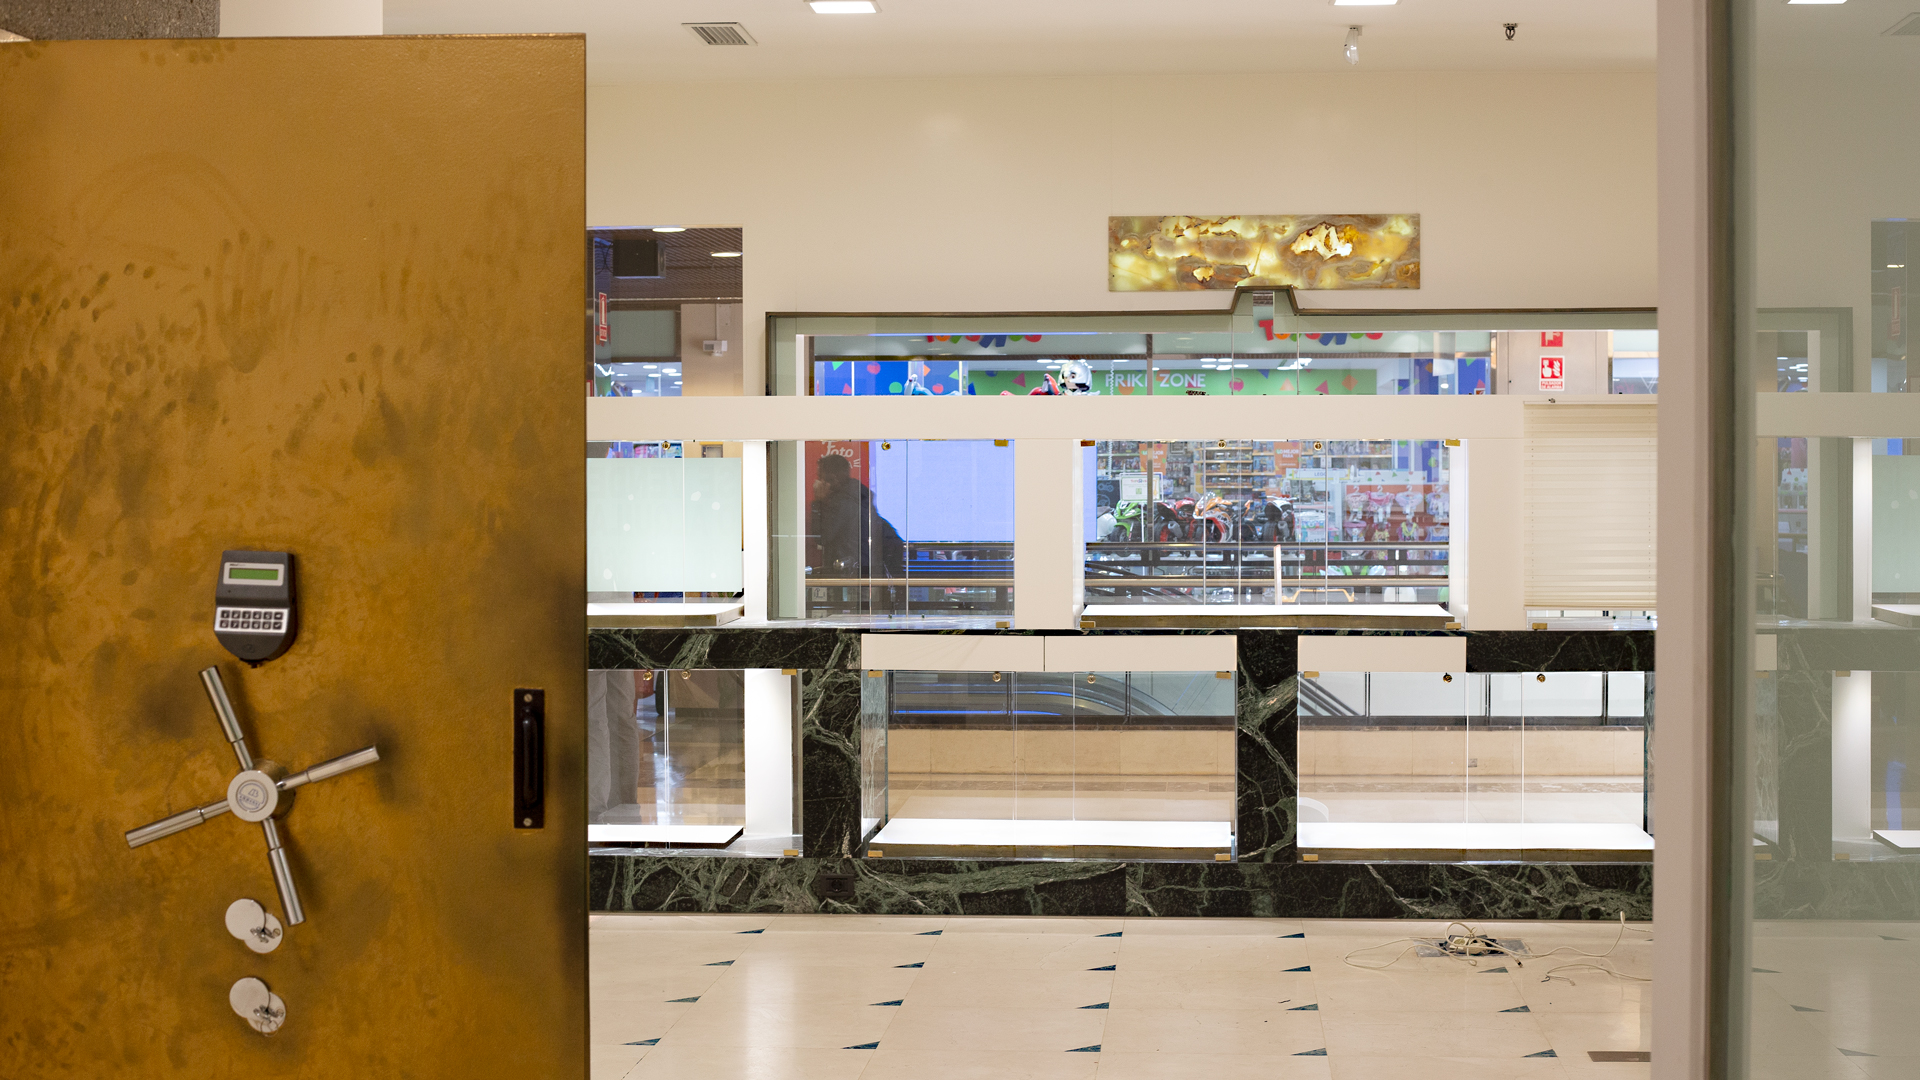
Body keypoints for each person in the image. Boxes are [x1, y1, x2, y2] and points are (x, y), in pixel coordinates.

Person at [811, 453, 907, 613]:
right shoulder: (858, 496)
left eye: (821, 477)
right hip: (867, 568)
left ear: (832, 478)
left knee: (852, 615)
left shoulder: (842, 502)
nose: (818, 482)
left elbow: (823, 537)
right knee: (864, 614)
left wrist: (817, 503)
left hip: (851, 571)